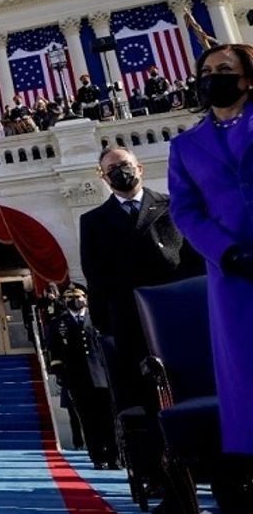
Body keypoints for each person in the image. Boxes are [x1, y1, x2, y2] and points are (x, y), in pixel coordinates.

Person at [168, 43, 253, 460]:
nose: (211, 77)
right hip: (235, 273)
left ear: (246, 77)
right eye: (205, 72)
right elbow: (185, 211)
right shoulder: (185, 146)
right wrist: (228, 252)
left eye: (223, 69)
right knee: (247, 372)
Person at [79, 147, 204, 394]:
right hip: (131, 321)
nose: (120, 172)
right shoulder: (93, 220)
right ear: (103, 177)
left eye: (124, 164)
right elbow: (94, 275)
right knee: (146, 396)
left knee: (193, 388)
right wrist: (105, 324)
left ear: (140, 168)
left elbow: (194, 260)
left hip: (178, 312)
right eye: (112, 169)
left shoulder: (172, 205)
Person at [46, 285, 119, 470]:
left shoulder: (97, 318)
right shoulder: (58, 323)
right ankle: (97, 457)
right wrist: (61, 375)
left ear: (85, 298)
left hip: (102, 376)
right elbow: (55, 352)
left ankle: (114, 457)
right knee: (88, 420)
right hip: (77, 379)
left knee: (108, 419)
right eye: (70, 298)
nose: (75, 301)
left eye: (78, 297)